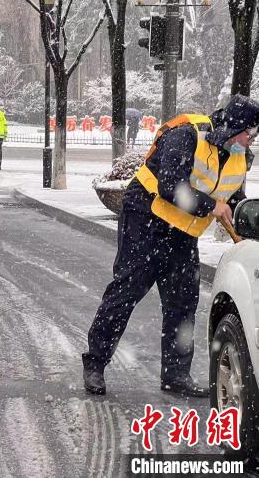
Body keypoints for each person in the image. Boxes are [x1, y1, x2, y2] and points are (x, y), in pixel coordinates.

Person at [82, 95, 259, 397]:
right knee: (126, 292)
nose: (250, 140)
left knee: (183, 303)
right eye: (248, 133)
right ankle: (95, 363)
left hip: (183, 231)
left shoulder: (241, 155)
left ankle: (176, 375)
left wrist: (240, 217)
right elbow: (170, 186)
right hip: (146, 218)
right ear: (234, 126)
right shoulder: (187, 134)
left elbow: (229, 196)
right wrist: (210, 206)